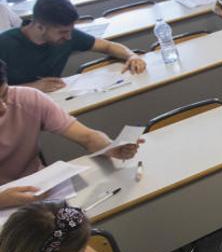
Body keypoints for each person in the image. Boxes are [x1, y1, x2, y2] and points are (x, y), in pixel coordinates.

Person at [0, 60, 141, 192]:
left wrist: (111, 147)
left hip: (37, 186)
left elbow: (87, 137)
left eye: (5, 95)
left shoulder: (28, 98)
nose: (3, 107)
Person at [0, 0, 146, 91]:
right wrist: (32, 87)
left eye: (70, 30)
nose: (69, 37)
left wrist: (131, 55)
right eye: (62, 33)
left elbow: (107, 46)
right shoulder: (5, 44)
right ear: (39, 27)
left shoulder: (67, 35)